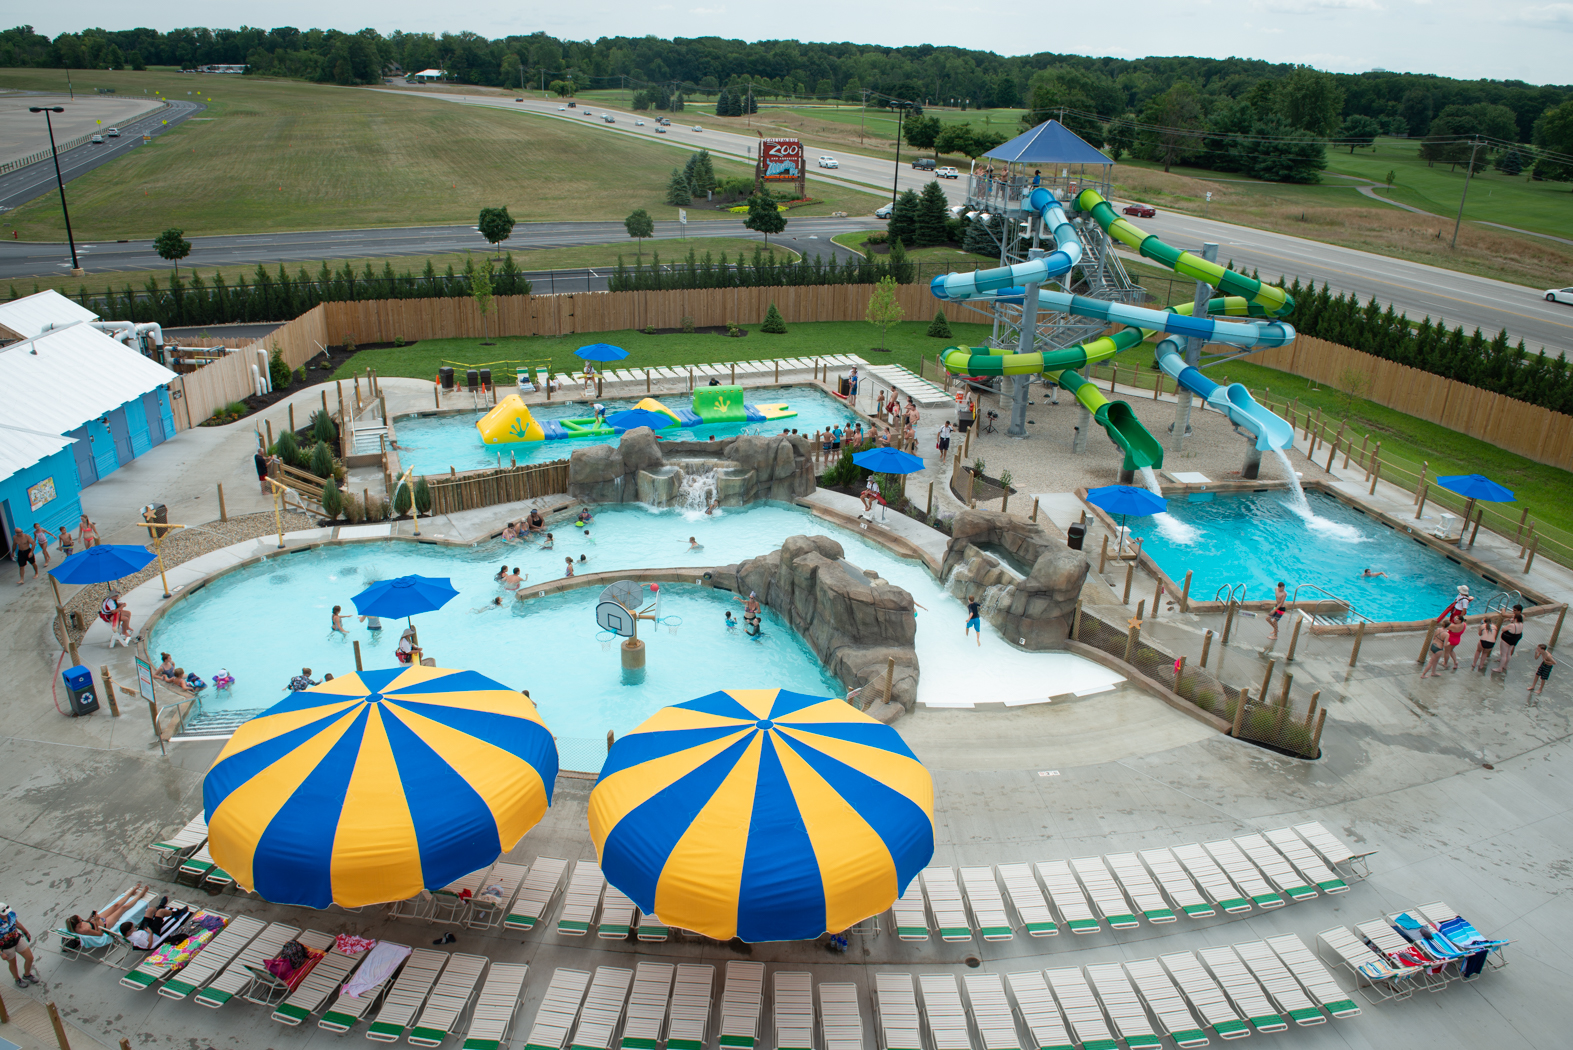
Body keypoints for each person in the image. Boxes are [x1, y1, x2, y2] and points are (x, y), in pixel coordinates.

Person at [0, 903, 39, 988]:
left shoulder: (11, 914)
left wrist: (26, 932)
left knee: (30, 958)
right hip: (6, 946)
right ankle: (17, 979)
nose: (6, 913)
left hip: (17, 939)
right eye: (4, 912)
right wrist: (1, 953)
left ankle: (27, 974)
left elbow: (17, 924)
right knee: (13, 963)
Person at [1496, 606, 1525, 672]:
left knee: (1504, 655)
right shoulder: (1521, 624)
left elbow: (1503, 629)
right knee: (1508, 653)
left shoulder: (1512, 625)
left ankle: (1500, 668)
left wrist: (1503, 610)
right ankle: (1505, 666)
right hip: (1515, 638)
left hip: (1507, 640)